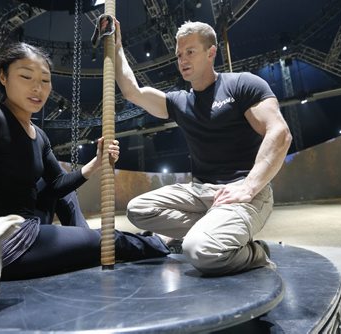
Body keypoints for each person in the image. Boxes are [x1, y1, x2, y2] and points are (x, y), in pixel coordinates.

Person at [0, 42, 169, 280]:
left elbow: (58, 185)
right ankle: (158, 242)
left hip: (32, 226)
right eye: (26, 77)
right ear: (3, 78)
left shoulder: (39, 136)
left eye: (45, 81)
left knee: (85, 221)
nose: (37, 88)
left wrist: (97, 162)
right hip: (6, 241)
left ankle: (91, 237)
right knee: (110, 240)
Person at [113, 19, 292, 276]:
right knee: (138, 210)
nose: (182, 60)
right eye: (178, 55)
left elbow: (280, 133)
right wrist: (117, 45)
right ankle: (210, 228)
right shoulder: (180, 102)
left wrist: (249, 187)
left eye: (190, 52)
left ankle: (257, 252)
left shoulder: (242, 85)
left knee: (199, 251)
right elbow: (133, 92)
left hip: (245, 193)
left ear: (211, 52)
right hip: (200, 193)